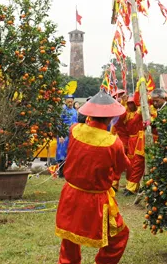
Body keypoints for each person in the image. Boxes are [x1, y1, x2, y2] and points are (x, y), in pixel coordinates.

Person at [55, 90, 131, 264]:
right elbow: (123, 166)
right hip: (96, 200)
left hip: (70, 194)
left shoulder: (74, 130)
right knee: (119, 236)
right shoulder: (113, 142)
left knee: (69, 240)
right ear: (110, 117)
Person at [55, 95, 78, 178]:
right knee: (62, 153)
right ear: (65, 101)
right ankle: (61, 173)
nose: (70, 103)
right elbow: (58, 123)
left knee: (71, 153)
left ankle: (70, 173)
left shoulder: (74, 111)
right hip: (63, 135)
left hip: (72, 135)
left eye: (71, 101)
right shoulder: (62, 110)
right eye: (68, 101)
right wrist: (60, 135)